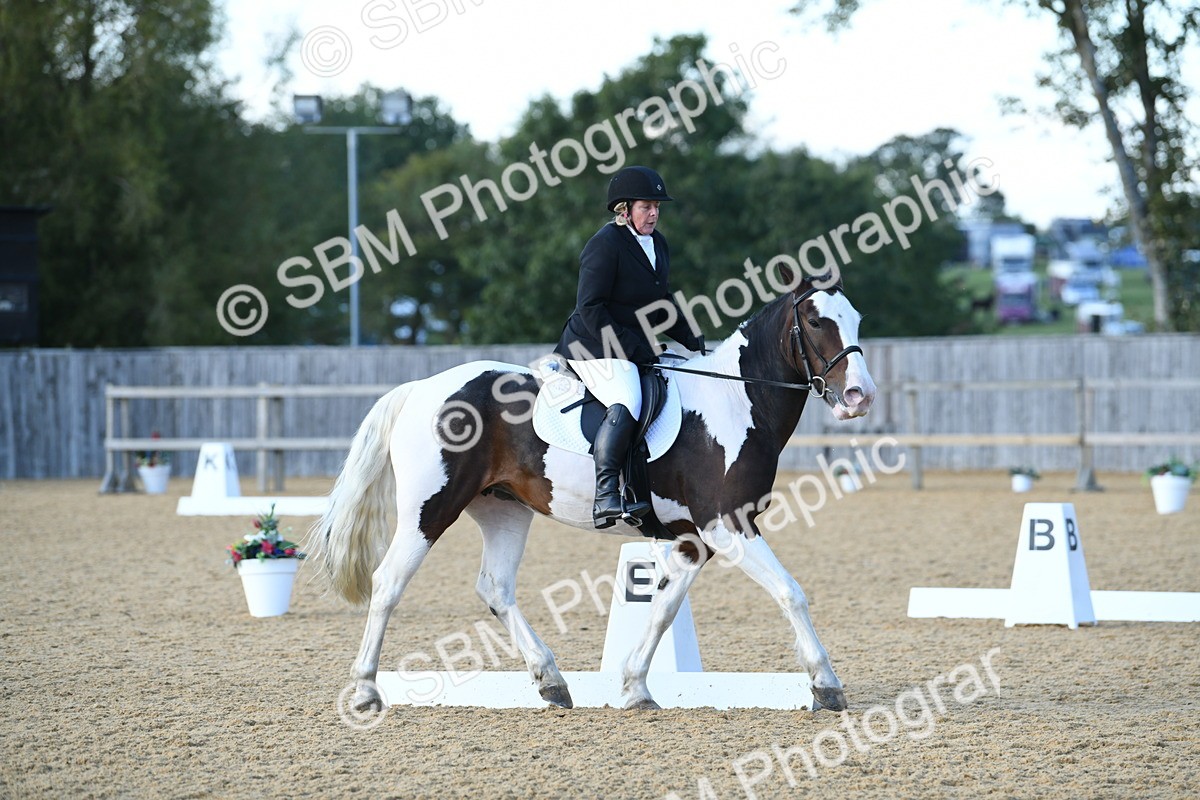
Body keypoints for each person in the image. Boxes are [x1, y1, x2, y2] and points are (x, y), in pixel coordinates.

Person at [553, 166, 704, 529]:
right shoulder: (604, 245)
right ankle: (606, 493)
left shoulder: (659, 245)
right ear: (624, 210)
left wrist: (694, 342)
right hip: (592, 345)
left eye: (656, 207)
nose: (653, 213)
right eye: (645, 207)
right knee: (628, 399)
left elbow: (663, 301)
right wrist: (634, 347)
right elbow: (590, 308)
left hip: (632, 345)